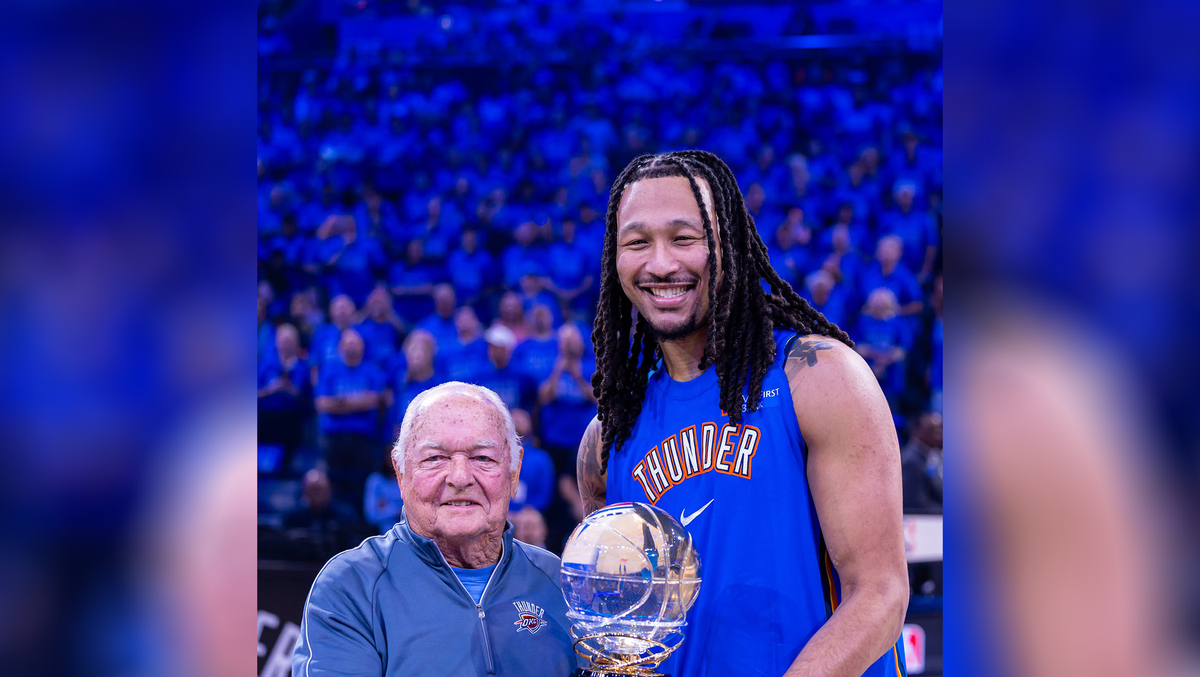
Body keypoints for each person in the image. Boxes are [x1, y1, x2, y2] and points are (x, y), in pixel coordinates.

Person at [577, 151, 908, 677]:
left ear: (726, 245)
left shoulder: (817, 377)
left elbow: (880, 594)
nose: (661, 264)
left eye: (684, 239)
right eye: (638, 242)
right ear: (615, 262)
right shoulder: (605, 440)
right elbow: (622, 627)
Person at [294, 382, 577, 676]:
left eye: (482, 457)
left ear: (514, 472)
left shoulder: (559, 581)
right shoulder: (351, 586)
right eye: (434, 458)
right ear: (401, 475)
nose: (460, 477)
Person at [315, 329, 392, 507]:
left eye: (355, 343)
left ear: (362, 347)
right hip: (335, 438)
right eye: (348, 343)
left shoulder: (372, 371)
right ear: (340, 346)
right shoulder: (329, 370)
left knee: (362, 485)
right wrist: (360, 402)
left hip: (363, 439)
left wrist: (340, 403)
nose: (351, 347)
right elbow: (321, 404)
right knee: (335, 484)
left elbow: (377, 400)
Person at [901, 412, 943, 512]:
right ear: (916, 431)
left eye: (939, 430)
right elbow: (917, 503)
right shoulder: (910, 461)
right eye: (932, 431)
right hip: (925, 523)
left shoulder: (934, 455)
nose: (938, 435)